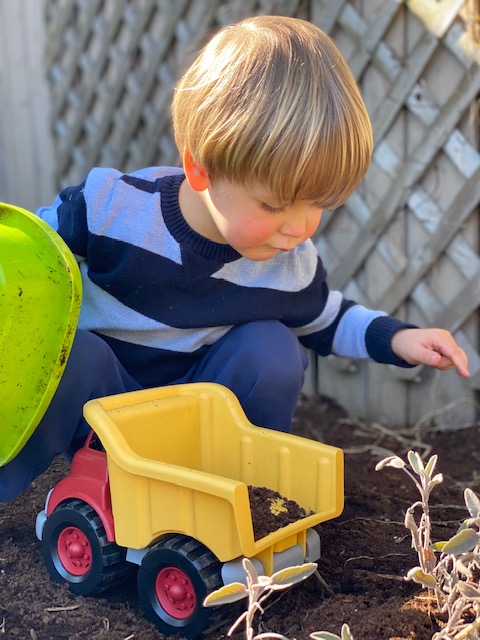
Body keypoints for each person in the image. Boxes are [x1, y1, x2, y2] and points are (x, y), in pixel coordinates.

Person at [0, 15, 468, 502]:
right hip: (99, 413)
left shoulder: (287, 260)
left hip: (199, 418)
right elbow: (25, 257)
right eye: (274, 205)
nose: (300, 226)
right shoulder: (109, 209)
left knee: (273, 347)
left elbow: (326, 318)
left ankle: (252, 487)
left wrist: (400, 338)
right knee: (72, 355)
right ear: (201, 171)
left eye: (319, 206)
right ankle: (16, 488)